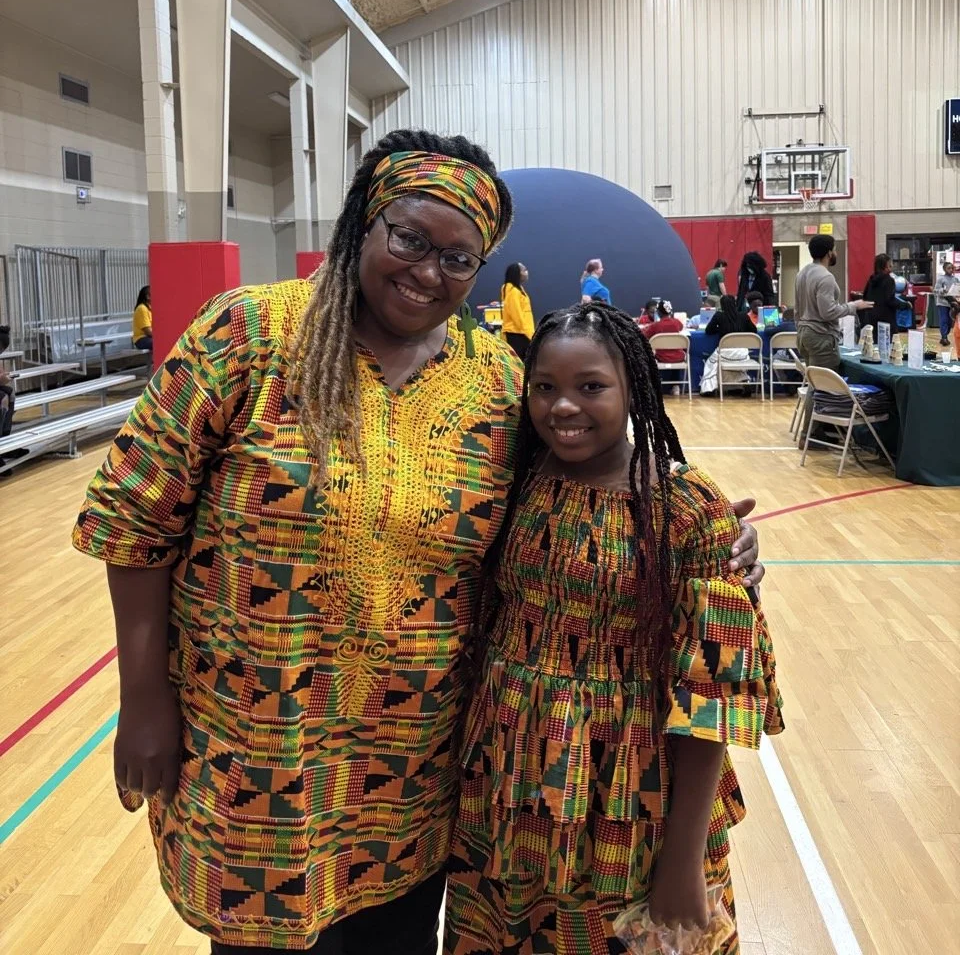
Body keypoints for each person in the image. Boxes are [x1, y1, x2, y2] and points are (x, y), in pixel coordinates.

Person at [73, 129, 765, 954]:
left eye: (458, 257)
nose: (427, 271)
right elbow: (135, 520)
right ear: (364, 223)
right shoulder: (247, 337)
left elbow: (585, 488)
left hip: (415, 769)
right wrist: (143, 699)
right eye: (408, 238)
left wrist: (710, 536)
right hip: (257, 753)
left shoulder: (497, 379)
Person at [444, 304, 783, 954]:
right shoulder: (509, 485)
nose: (563, 406)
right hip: (509, 781)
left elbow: (712, 701)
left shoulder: (684, 508)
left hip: (635, 792)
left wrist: (682, 858)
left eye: (590, 386)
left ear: (634, 385)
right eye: (544, 387)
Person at [794, 235, 872, 373]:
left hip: (803, 335)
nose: (836, 253)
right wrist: (853, 306)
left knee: (815, 382)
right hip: (820, 337)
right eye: (835, 250)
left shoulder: (801, 274)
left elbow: (797, 310)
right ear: (829, 253)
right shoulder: (826, 277)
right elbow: (827, 312)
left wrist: (802, 329)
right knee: (825, 387)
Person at [700, 296, 756, 395]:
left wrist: (720, 329)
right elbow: (754, 331)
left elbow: (708, 331)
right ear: (734, 303)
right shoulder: (744, 316)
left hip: (725, 354)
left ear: (722, 305)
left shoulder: (719, 316)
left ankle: (708, 389)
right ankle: (738, 385)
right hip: (742, 354)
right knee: (733, 366)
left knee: (711, 363)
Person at [500, 262, 535, 359]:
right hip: (517, 334)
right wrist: (527, 333)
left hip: (522, 332)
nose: (526, 272)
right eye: (524, 270)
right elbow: (516, 314)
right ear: (517, 273)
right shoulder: (513, 291)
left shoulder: (518, 289)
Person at [861, 255, 898, 335]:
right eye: (890, 264)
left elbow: (865, 296)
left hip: (871, 318)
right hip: (886, 320)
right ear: (886, 266)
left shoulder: (871, 279)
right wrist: (903, 305)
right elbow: (890, 300)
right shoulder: (889, 280)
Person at [934, 259, 958, 347]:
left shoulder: (956, 279)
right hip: (942, 302)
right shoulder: (941, 279)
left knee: (950, 321)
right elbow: (935, 291)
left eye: (952, 268)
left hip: (952, 303)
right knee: (943, 320)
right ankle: (944, 337)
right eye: (949, 268)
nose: (951, 270)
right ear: (944, 269)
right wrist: (942, 290)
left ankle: (944, 336)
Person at [132, 285, 153, 352]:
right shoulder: (142, 309)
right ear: (148, 296)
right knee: (161, 342)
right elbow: (148, 331)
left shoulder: (150, 308)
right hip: (141, 339)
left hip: (149, 337)